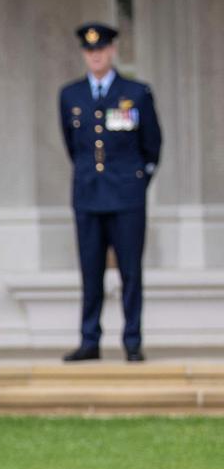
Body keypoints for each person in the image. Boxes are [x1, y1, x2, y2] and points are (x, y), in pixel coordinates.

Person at [60, 23, 162, 363]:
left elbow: (152, 146)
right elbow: (73, 147)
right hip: (88, 195)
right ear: (84, 54)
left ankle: (132, 340)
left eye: (101, 49)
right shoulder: (70, 95)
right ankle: (90, 340)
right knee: (91, 271)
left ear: (112, 51)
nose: (96, 55)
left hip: (127, 196)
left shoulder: (136, 92)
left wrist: (136, 182)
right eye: (90, 51)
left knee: (130, 270)